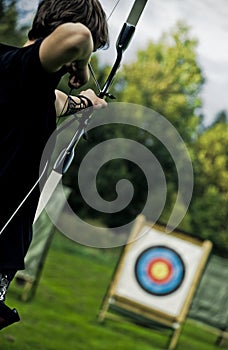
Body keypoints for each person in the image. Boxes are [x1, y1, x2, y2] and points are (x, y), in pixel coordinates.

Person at [0, 0, 109, 330]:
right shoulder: (23, 68)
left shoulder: (17, 74)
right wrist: (84, 65)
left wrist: (86, 102)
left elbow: (54, 102)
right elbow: (77, 37)